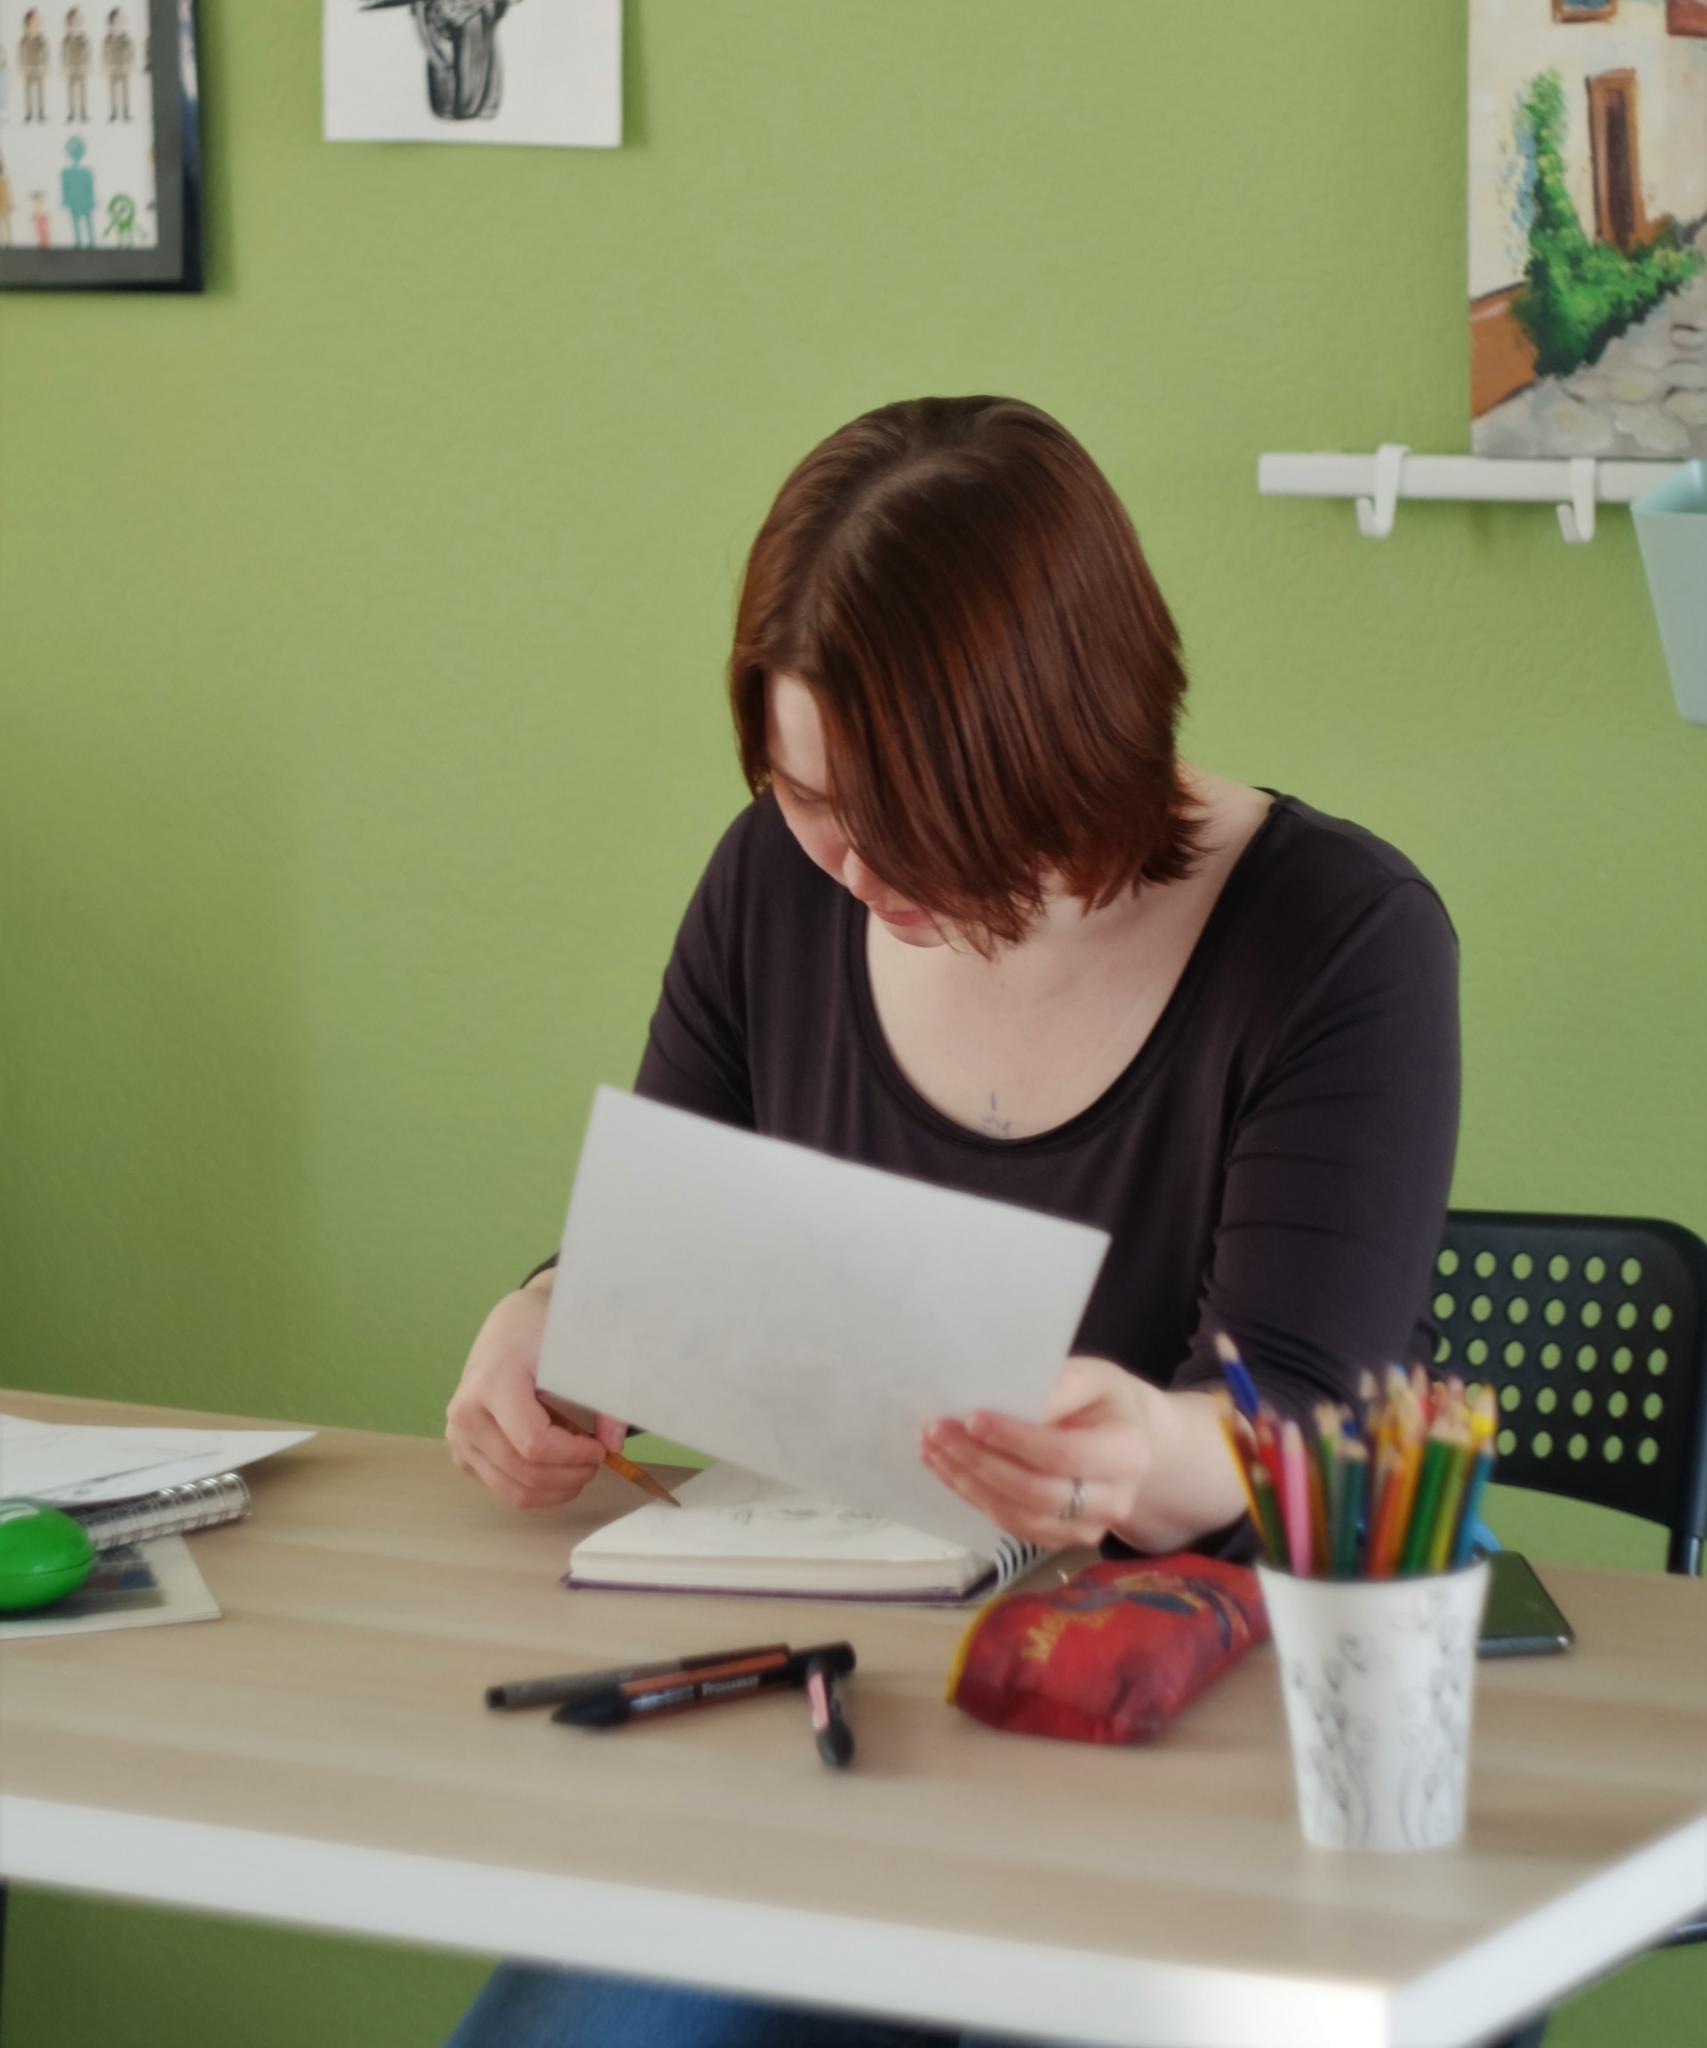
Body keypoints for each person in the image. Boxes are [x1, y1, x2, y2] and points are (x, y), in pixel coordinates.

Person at [440, 397, 1460, 2048]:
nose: (847, 865)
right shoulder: (774, 887)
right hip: (847, 1692)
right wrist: (550, 1315)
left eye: (902, 814)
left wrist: (1153, 1452)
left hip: (1214, 1725)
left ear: (1062, 739)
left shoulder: (1340, 943)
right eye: (802, 794)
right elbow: (677, 1242)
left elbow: (1309, 1416)